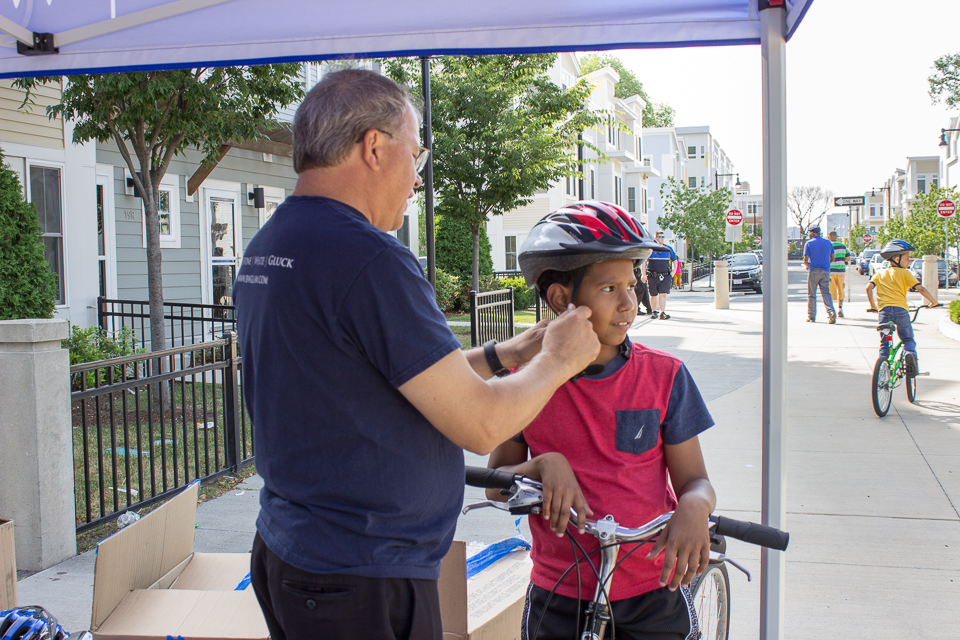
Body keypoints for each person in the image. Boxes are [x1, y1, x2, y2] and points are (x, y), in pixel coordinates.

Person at [233, 69, 601, 640]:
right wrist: (558, 359)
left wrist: (506, 354)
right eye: (417, 155)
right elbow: (482, 423)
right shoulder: (368, 257)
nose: (416, 181)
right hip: (360, 577)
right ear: (375, 148)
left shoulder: (271, 243)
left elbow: (380, 379)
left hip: (297, 555)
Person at [487, 201, 717, 640]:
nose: (630, 303)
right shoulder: (524, 383)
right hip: (559, 592)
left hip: (653, 586)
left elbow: (696, 481)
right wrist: (540, 464)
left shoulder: (664, 376)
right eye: (610, 288)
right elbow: (496, 483)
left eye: (632, 285)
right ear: (561, 299)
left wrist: (694, 505)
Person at [866, 240, 940, 374]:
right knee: (907, 339)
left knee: (885, 343)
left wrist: (873, 306)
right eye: (907, 258)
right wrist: (934, 302)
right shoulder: (905, 273)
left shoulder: (880, 273)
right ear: (896, 258)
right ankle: (909, 354)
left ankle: (882, 368)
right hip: (901, 312)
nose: (909, 261)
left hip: (884, 312)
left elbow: (869, 288)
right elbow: (921, 289)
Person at [802, 225, 836, 323]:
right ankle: (831, 312)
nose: (808, 235)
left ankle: (811, 316)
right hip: (825, 271)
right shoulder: (828, 242)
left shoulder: (809, 243)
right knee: (826, 293)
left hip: (814, 270)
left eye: (809, 233)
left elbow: (805, 259)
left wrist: (807, 266)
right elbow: (833, 258)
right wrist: (826, 264)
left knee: (812, 294)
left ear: (812, 233)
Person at [646, 231, 678, 319]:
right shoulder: (651, 249)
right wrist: (643, 274)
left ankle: (662, 312)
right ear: (656, 238)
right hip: (653, 275)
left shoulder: (668, 249)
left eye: (663, 236)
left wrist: (673, 272)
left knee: (663, 294)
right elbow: (644, 261)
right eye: (660, 237)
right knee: (653, 295)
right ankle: (654, 312)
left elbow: (675, 260)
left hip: (665, 275)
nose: (662, 238)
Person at [827, 231, 848, 317]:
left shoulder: (827, 246)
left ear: (829, 237)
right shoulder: (842, 246)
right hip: (840, 271)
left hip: (830, 271)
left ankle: (831, 311)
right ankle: (840, 309)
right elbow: (848, 258)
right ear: (836, 237)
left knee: (830, 292)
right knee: (841, 290)